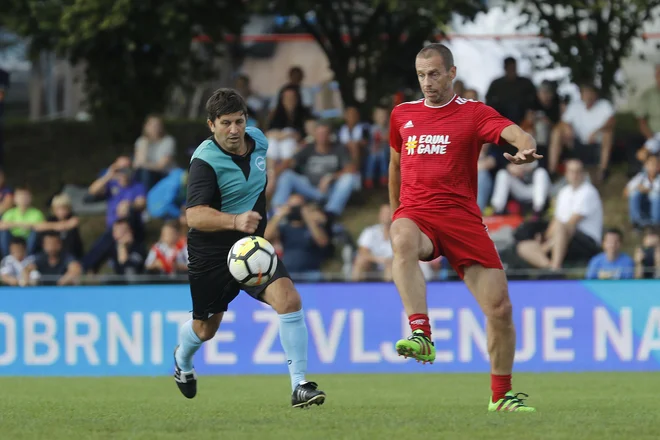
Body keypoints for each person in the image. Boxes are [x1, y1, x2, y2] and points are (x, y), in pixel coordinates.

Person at [388, 43, 538, 412]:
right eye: (422, 75)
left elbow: (516, 133)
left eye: (434, 74)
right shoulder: (402, 115)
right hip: (418, 216)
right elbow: (395, 164)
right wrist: (397, 214)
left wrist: (526, 146)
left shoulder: (472, 113)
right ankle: (421, 333)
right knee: (402, 238)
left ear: (452, 73)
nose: (427, 82)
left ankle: (501, 396)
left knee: (500, 309)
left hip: (462, 220)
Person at [174, 88, 326, 408]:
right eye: (226, 123)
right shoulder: (204, 162)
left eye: (239, 121)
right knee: (205, 328)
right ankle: (182, 359)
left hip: (251, 248)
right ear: (211, 125)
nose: (234, 130)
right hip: (211, 254)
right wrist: (234, 221)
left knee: (289, 299)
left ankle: (300, 385)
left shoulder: (259, 141)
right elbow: (195, 215)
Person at [516, 159, 603, 271]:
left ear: (583, 174)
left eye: (578, 171)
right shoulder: (563, 192)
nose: (575, 175)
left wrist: (546, 246)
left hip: (587, 241)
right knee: (523, 247)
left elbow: (572, 222)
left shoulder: (589, 191)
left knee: (563, 227)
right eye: (572, 171)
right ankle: (551, 268)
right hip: (561, 239)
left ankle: (556, 265)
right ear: (566, 174)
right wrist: (545, 238)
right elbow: (556, 219)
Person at [132, 115, 177, 190]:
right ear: (146, 127)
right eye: (151, 125)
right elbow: (138, 163)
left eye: (157, 125)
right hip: (146, 173)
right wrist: (145, 143)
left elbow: (161, 166)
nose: (154, 128)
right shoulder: (141, 141)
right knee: (139, 172)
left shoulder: (168, 141)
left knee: (145, 172)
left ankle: (145, 197)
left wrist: (144, 164)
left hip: (164, 174)